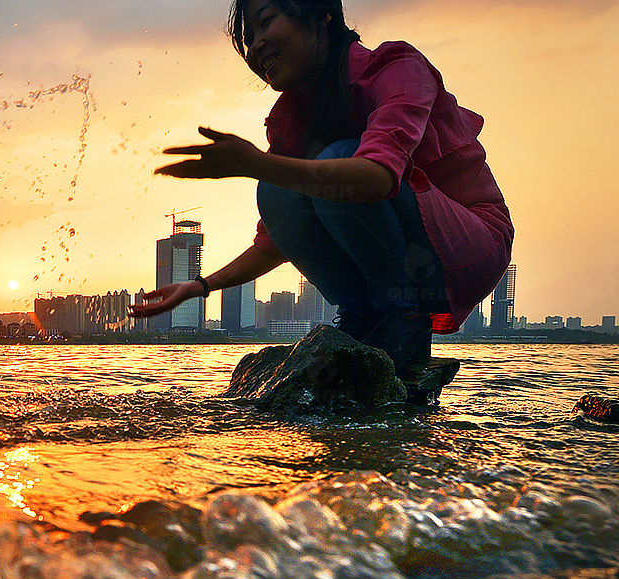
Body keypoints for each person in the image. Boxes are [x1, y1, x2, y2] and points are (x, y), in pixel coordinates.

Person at [129, 0, 513, 380]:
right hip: (402, 244)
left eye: (265, 23)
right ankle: (360, 314)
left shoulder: (395, 68)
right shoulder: (289, 120)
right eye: (248, 39)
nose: (256, 45)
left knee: (339, 159)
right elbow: (277, 240)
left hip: (470, 243)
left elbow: (379, 177)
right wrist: (199, 286)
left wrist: (256, 164)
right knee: (275, 193)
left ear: (320, 15)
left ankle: (402, 319)